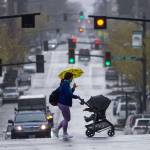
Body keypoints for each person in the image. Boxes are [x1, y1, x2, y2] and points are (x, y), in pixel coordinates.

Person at [53, 72, 79, 139]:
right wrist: (76, 97)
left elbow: (68, 93)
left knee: (67, 119)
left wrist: (73, 88)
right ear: (69, 77)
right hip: (63, 103)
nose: (72, 79)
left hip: (62, 103)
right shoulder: (65, 84)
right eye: (72, 78)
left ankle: (56, 130)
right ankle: (64, 133)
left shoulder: (65, 83)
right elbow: (68, 94)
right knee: (66, 119)